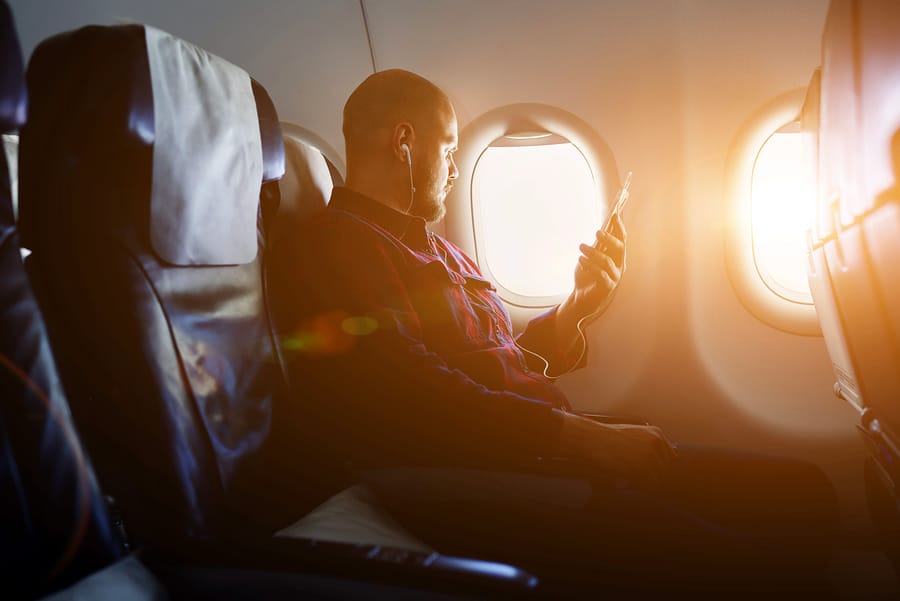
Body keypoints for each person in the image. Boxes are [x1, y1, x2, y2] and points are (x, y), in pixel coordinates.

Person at [271, 69, 838, 596]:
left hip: (544, 451)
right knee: (769, 566)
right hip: (493, 476)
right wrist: (580, 437)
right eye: (447, 151)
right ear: (404, 142)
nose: (453, 170)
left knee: (804, 493)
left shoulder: (435, 247)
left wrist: (577, 307)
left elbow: (494, 359)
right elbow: (407, 391)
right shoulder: (339, 245)